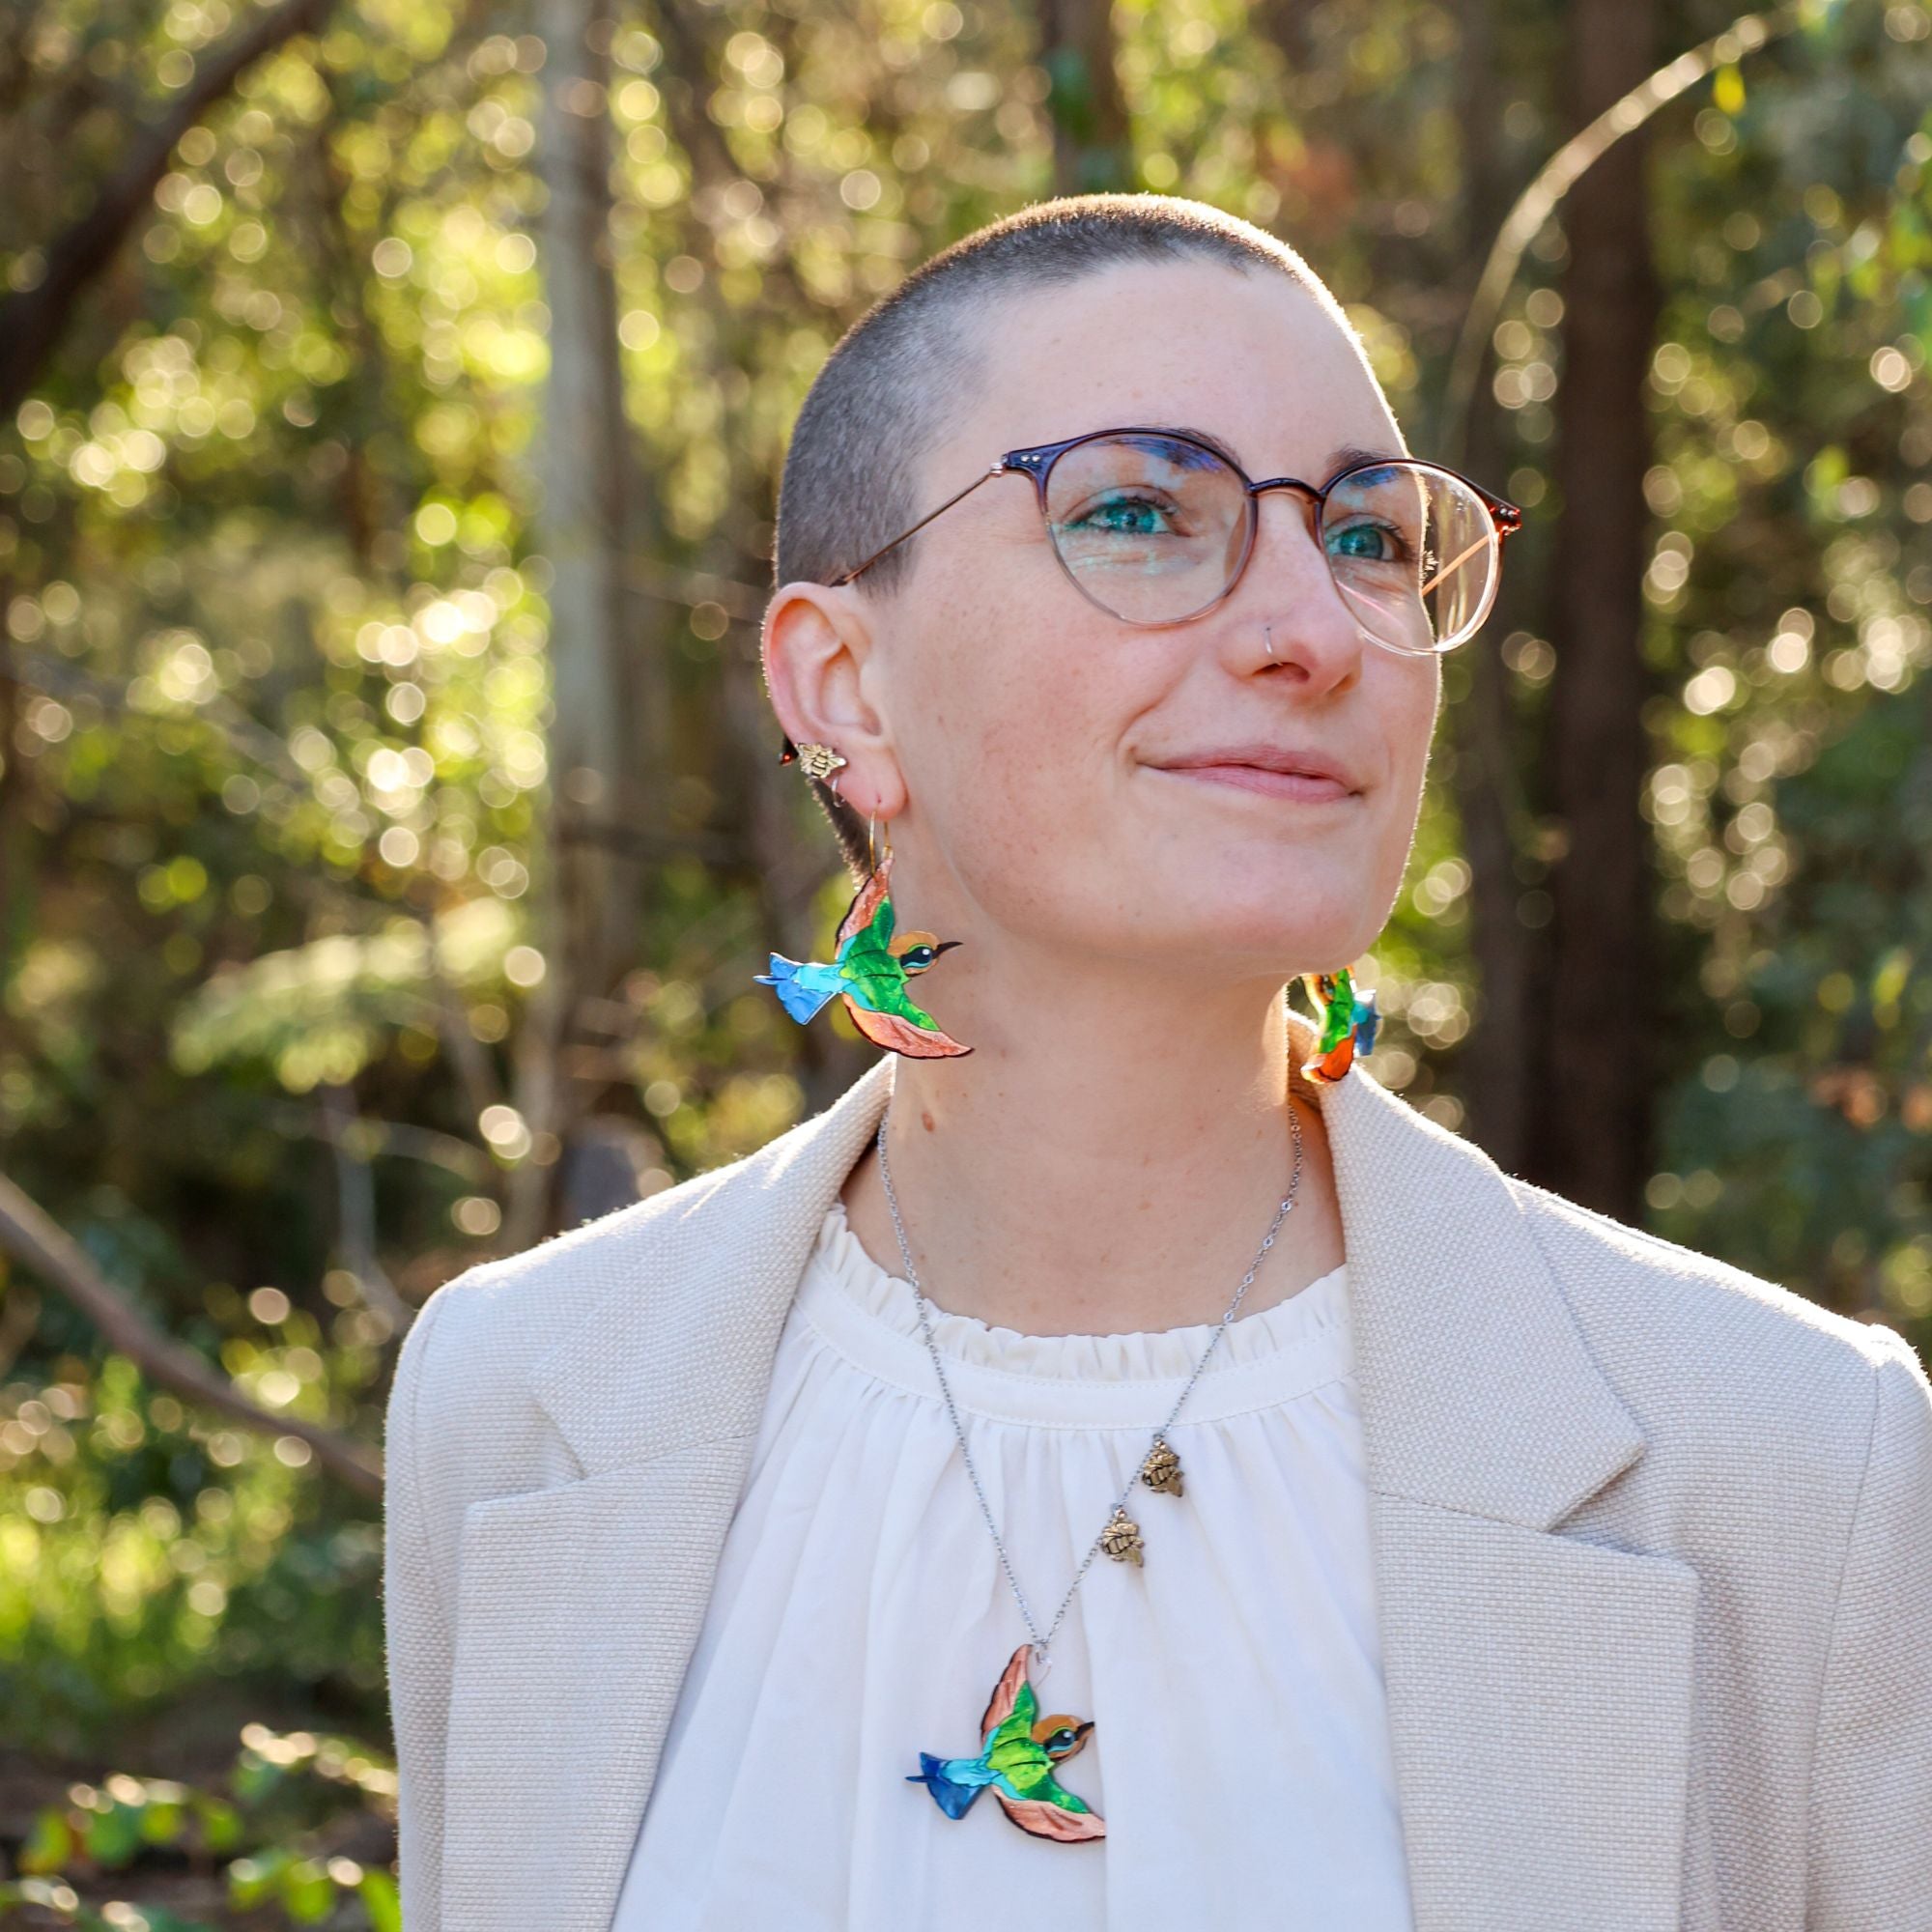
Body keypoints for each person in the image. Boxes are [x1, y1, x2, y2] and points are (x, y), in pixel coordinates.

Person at [382, 194, 1932, 1932]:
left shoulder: (1789, 1467)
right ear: (844, 686)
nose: (1316, 630)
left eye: (1367, 537)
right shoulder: (514, 1409)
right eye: (1137, 512)